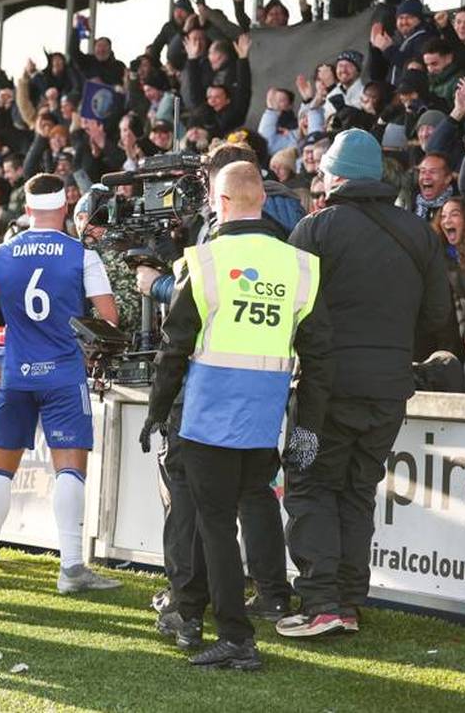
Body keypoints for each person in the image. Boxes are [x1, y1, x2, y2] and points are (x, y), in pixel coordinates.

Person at [142, 161, 333, 669]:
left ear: (221, 203)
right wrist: (305, 429)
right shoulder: (299, 265)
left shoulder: (206, 261)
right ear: (262, 202)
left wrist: (156, 413)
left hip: (208, 419)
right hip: (262, 419)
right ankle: (229, 618)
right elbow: (319, 356)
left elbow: (174, 347)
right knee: (247, 508)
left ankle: (232, 635)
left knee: (215, 527)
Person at [280, 129, 453, 637]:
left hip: (323, 392)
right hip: (390, 389)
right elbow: (439, 315)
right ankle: (349, 603)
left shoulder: (315, 231)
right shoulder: (419, 233)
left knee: (311, 485)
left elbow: (289, 311)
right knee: (357, 492)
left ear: (334, 177)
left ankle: (321, 603)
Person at [0, 174, 121, 593]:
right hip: (64, 374)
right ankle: (70, 569)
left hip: (16, 374)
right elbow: (109, 320)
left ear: (27, 209)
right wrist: (87, 350)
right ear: (65, 206)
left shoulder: (0, 254)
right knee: (69, 470)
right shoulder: (81, 255)